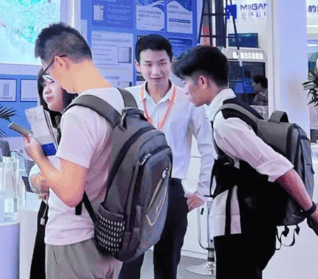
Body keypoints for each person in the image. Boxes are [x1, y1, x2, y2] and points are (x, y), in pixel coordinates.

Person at [174, 46, 318, 279]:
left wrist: (311, 210)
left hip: (240, 229)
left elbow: (279, 167)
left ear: (201, 81)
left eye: (185, 82)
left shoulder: (226, 123)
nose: (184, 90)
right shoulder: (236, 109)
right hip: (245, 225)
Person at [23, 23, 124, 279]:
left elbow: (70, 193)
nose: (51, 81)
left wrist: (38, 157)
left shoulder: (80, 113)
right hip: (112, 236)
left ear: (59, 62)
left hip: (74, 239)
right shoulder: (123, 100)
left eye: (49, 72)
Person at [117, 35, 213, 279]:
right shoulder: (126, 98)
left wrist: (202, 191)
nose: (155, 71)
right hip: (133, 189)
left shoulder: (188, 99)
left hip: (171, 189)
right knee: (128, 264)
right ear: (137, 66)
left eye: (162, 63)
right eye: (148, 64)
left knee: (167, 264)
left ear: (171, 62)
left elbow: (208, 147)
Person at [29, 68, 76, 279]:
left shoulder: (79, 122)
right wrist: (37, 179)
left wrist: (39, 159)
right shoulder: (50, 122)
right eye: (43, 85)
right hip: (48, 213)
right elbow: (40, 167)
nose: (46, 90)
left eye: (52, 83)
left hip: (72, 221)